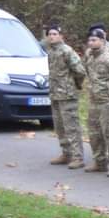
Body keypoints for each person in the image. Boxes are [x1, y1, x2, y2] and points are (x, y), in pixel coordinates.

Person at [44, 25, 86, 168]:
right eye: (50, 34)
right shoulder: (50, 51)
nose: (52, 36)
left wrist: (74, 85)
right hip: (55, 94)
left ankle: (77, 157)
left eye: (55, 34)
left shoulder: (67, 51)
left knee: (71, 127)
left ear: (61, 36)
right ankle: (66, 153)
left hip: (67, 95)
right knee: (59, 126)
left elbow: (80, 71)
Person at [83, 26, 109, 176]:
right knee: (94, 133)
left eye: (94, 40)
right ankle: (99, 162)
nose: (91, 43)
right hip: (94, 100)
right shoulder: (90, 57)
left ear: (102, 40)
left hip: (108, 101)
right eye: (89, 40)